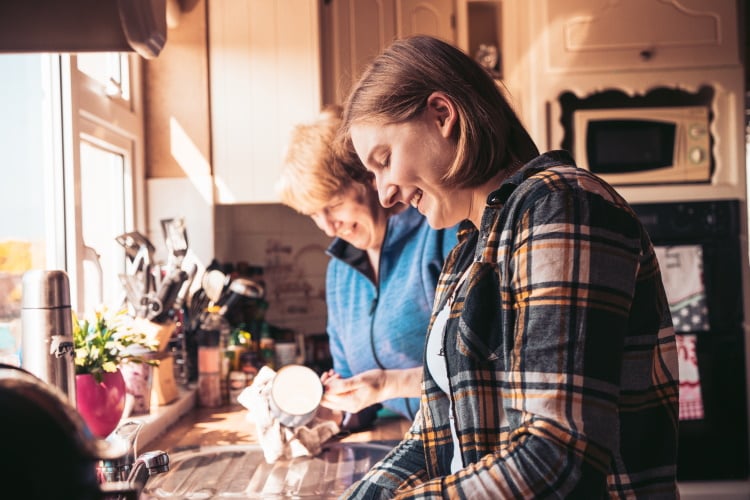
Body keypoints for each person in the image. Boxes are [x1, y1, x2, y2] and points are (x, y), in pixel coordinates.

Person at [337, 35, 679, 498]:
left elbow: (557, 454)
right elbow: (432, 439)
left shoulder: (560, 204)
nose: (384, 195)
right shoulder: (469, 250)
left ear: (442, 115)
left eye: (385, 160)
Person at [276, 105, 458, 430]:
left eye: (333, 206)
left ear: (368, 179)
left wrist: (387, 384)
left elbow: (478, 363)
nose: (329, 228)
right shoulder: (339, 273)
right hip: (407, 437)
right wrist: (336, 402)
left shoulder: (440, 231)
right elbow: (357, 391)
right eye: (314, 215)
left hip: (466, 438)